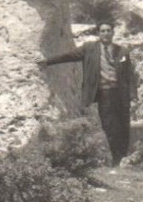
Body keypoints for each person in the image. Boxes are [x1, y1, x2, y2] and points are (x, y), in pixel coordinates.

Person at [39, 21, 136, 167]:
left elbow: (130, 75)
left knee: (123, 125)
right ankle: (116, 158)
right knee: (109, 125)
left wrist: (133, 96)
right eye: (102, 31)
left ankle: (123, 156)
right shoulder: (90, 48)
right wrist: (47, 61)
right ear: (98, 33)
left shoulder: (122, 52)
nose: (106, 33)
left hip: (121, 94)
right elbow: (69, 56)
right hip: (104, 93)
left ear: (113, 33)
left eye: (108, 30)